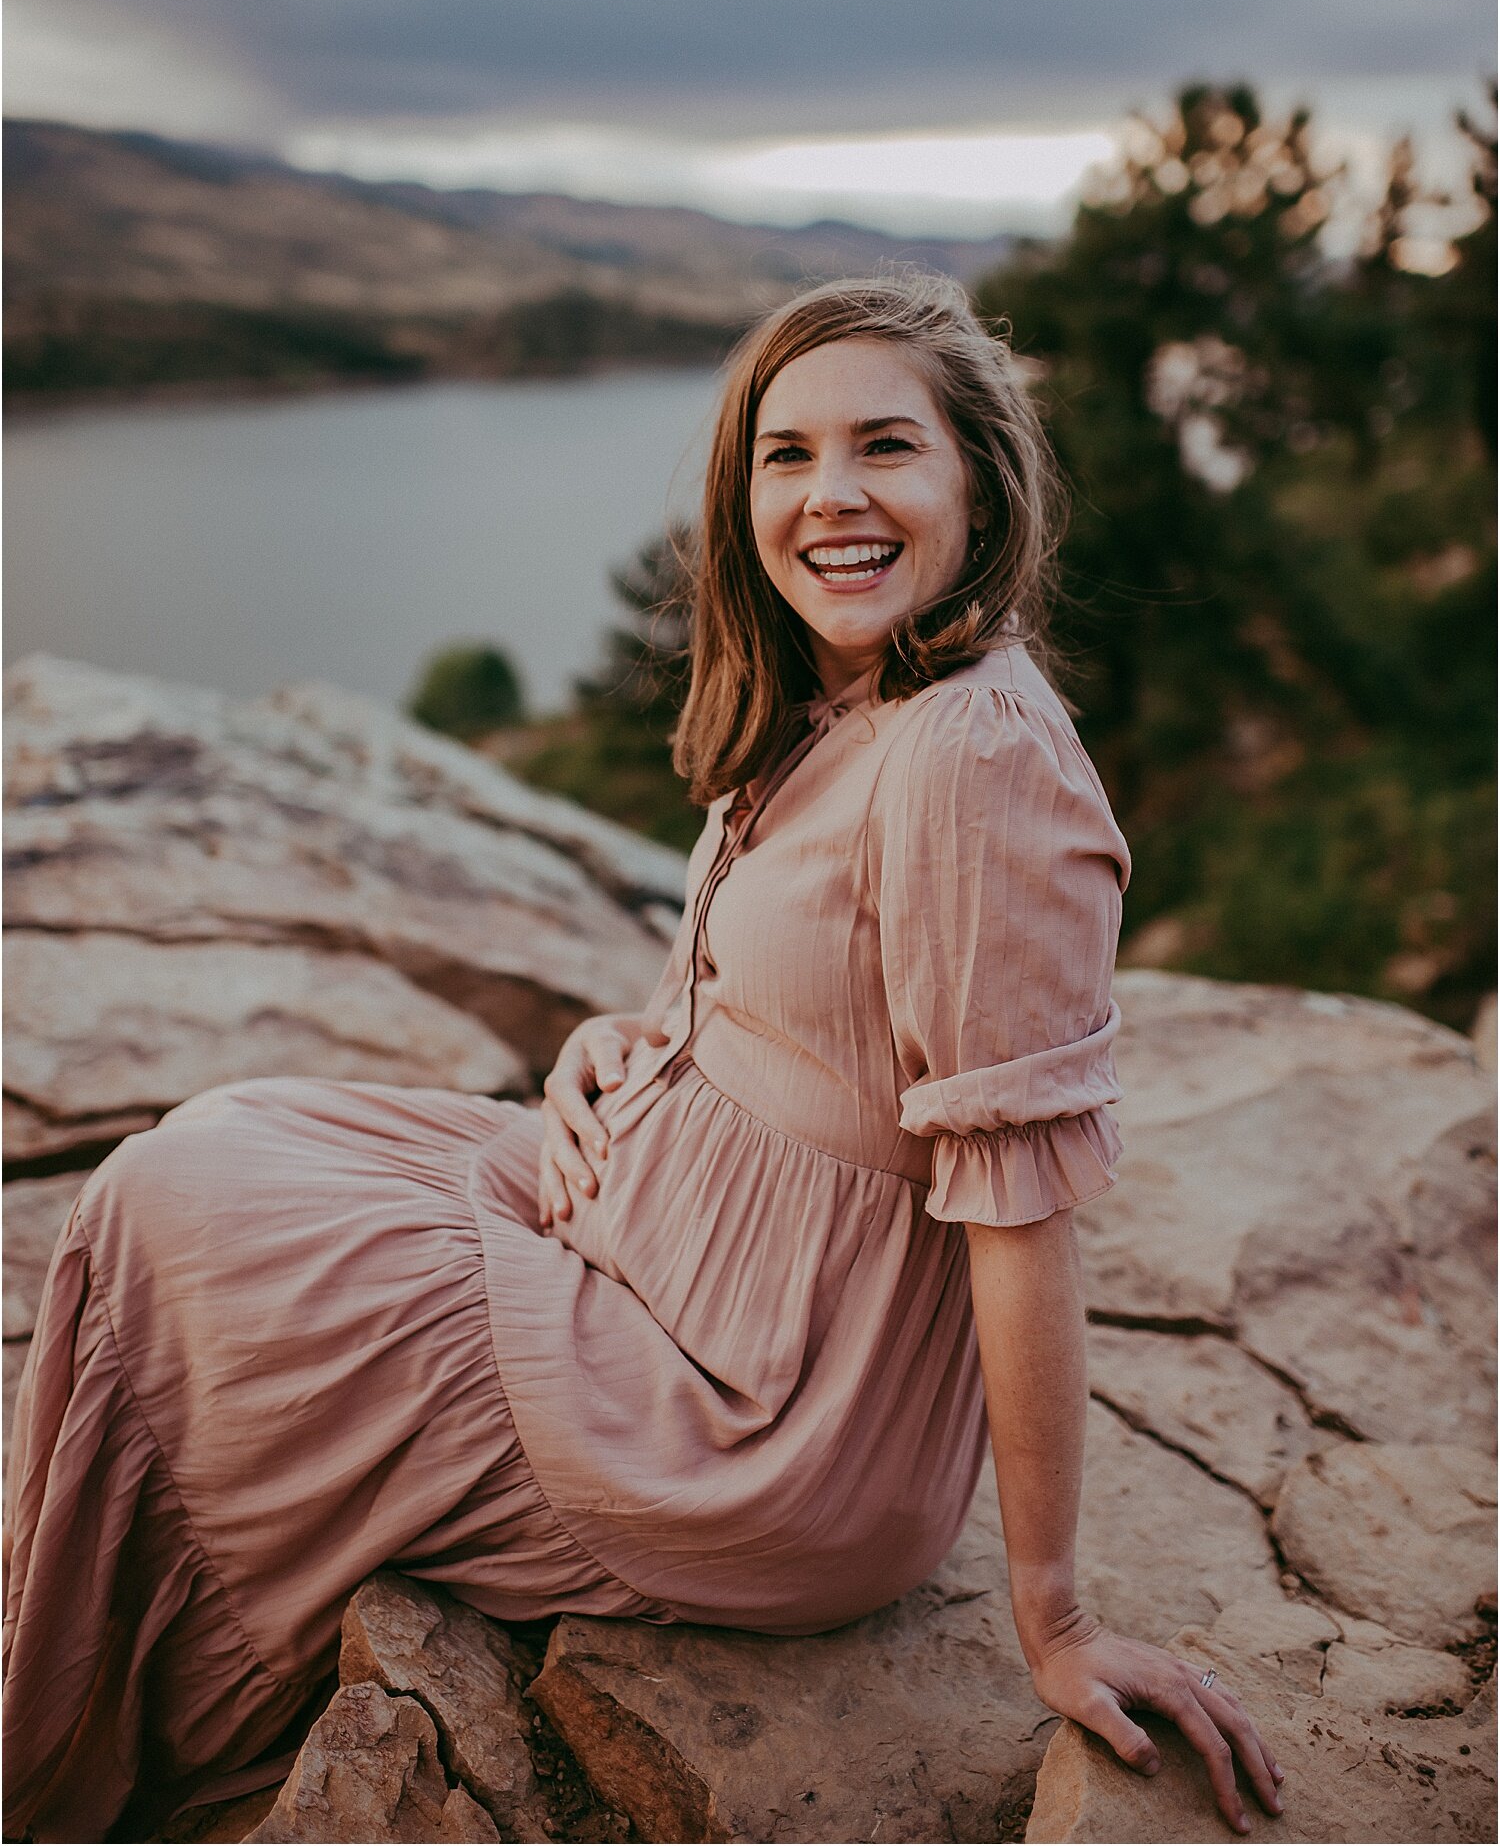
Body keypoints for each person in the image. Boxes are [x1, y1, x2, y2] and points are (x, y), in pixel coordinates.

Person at [2, 274, 1284, 1843]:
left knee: (165, 1209)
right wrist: (641, 1037)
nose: (832, 498)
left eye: (887, 447)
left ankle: (68, 1718)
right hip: (661, 1252)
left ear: (981, 481)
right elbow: (812, 997)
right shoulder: (851, 692)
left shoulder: (976, 757)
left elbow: (1018, 1205)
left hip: (758, 1410)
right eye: (787, 455)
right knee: (228, 1142)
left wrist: (1058, 1613)